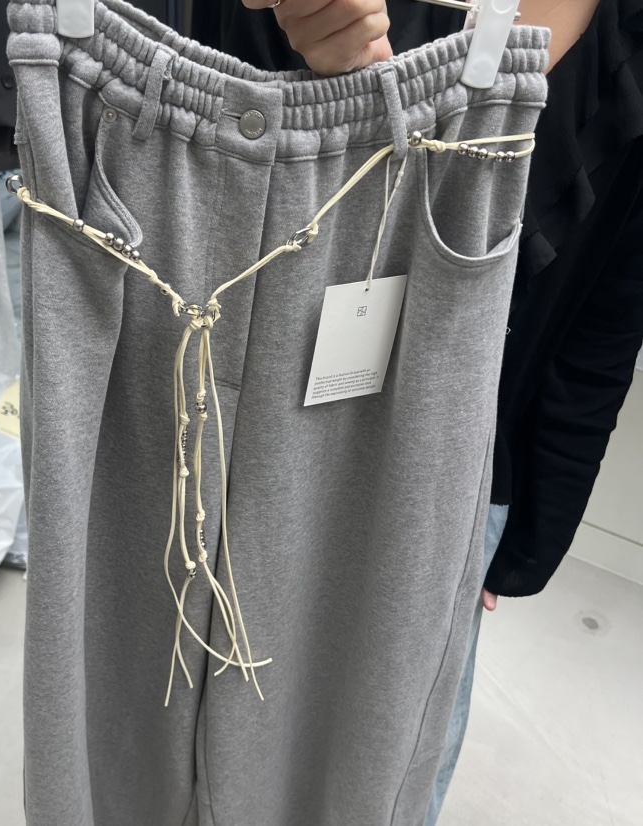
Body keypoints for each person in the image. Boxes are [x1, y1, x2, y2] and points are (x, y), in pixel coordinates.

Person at [195, 0, 643, 821]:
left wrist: (522, 534)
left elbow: (605, 320)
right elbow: (200, 194)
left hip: (467, 467)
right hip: (254, 430)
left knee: (382, 761)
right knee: (212, 709)